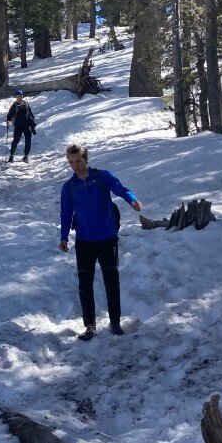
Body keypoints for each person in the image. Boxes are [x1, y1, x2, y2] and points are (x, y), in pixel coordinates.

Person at [58, 143, 142, 339]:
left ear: (85, 158)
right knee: (84, 284)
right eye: (71, 162)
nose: (75, 165)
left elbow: (122, 189)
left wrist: (133, 200)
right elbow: (66, 213)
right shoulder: (69, 187)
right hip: (84, 240)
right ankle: (90, 326)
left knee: (111, 281)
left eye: (78, 160)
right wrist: (63, 237)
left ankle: (115, 323)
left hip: (107, 238)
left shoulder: (103, 177)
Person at [5, 91, 36, 162]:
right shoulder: (14, 105)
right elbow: (10, 114)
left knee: (28, 141)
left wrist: (33, 120)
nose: (19, 97)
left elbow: (30, 112)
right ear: (15, 97)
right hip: (18, 126)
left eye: (21, 96)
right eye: (18, 96)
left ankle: (26, 156)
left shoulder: (26, 103)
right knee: (16, 140)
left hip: (27, 125)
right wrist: (8, 120)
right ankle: (12, 155)